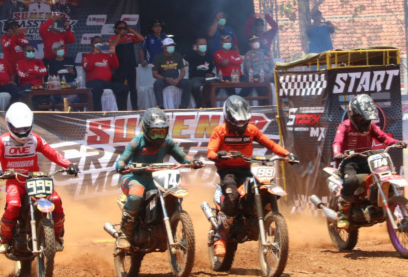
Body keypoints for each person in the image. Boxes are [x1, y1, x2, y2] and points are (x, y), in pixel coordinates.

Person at [207, 95, 298, 256]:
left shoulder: (252, 130)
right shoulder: (219, 131)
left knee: (266, 189)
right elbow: (211, 151)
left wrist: (287, 154)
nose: (240, 125)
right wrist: (217, 155)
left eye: (243, 121)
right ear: (227, 117)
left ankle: (265, 220)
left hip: (247, 169)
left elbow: (270, 144)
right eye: (236, 121)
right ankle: (220, 237)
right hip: (228, 172)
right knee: (233, 197)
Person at [0, 102, 79, 253]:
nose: (22, 132)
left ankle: (57, 238)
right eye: (18, 129)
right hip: (15, 181)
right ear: (10, 125)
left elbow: (52, 153)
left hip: (35, 180)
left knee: (55, 200)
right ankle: (3, 239)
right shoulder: (3, 141)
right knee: (13, 206)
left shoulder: (35, 139)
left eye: (25, 128)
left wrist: (69, 164)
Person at [114, 108, 203, 250]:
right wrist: (121, 166)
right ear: (146, 129)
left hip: (156, 178)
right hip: (135, 176)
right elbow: (122, 160)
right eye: (154, 132)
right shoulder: (137, 141)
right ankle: (124, 235)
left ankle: (168, 227)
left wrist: (193, 162)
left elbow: (182, 156)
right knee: (136, 195)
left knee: (172, 194)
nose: (158, 136)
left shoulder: (167, 142)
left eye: (161, 132)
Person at [332, 94, 406, 229]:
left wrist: (396, 143)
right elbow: (338, 142)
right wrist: (338, 154)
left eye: (366, 118)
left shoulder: (370, 126)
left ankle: (385, 204)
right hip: (349, 162)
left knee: (383, 175)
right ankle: (343, 213)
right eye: (361, 118)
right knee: (351, 181)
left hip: (366, 159)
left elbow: (383, 137)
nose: (364, 121)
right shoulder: (345, 126)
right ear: (353, 115)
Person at [82, 36, 129, 111]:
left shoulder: (106, 56)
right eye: (96, 42)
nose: (98, 43)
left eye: (100, 42)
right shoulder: (87, 56)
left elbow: (115, 66)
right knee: (97, 87)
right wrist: (94, 55)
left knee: (123, 88)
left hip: (106, 82)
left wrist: (113, 54)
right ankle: (97, 112)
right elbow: (87, 68)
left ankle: (122, 111)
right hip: (93, 82)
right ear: (91, 45)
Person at [109, 20, 144, 110]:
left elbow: (141, 39)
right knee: (121, 89)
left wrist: (132, 31)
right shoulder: (113, 38)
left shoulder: (130, 37)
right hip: (119, 68)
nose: (122, 30)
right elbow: (113, 45)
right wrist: (120, 34)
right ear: (116, 29)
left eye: (124, 28)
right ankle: (122, 109)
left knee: (133, 89)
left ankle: (135, 108)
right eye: (120, 28)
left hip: (131, 66)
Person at [152, 37, 192, 109]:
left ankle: (183, 106)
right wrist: (165, 79)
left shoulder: (178, 56)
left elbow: (183, 71)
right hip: (164, 78)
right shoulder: (158, 57)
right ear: (164, 47)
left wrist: (179, 78)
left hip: (175, 78)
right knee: (157, 84)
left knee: (188, 83)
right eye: (169, 45)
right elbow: (154, 74)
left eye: (172, 45)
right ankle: (160, 105)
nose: (171, 47)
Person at [243, 35, 274, 105]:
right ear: (250, 44)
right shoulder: (248, 54)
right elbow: (248, 69)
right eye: (253, 41)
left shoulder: (266, 52)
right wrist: (261, 75)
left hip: (269, 75)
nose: (255, 42)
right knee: (261, 87)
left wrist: (270, 74)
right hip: (256, 76)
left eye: (257, 40)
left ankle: (284, 102)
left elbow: (272, 65)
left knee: (280, 81)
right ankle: (264, 104)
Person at [184, 37, 215, 107]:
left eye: (205, 44)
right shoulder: (192, 55)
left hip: (207, 78)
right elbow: (185, 59)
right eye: (201, 44)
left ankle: (208, 102)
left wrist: (211, 74)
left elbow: (213, 69)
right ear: (196, 46)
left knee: (217, 84)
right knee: (195, 86)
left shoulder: (209, 56)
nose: (203, 45)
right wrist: (193, 50)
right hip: (196, 77)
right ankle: (199, 103)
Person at [47, 42, 78, 109]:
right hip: (58, 85)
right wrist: (61, 83)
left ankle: (70, 109)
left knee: (76, 94)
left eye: (62, 48)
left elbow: (75, 75)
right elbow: (52, 77)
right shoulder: (52, 62)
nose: (61, 50)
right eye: (59, 49)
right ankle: (64, 108)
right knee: (53, 96)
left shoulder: (69, 60)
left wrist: (72, 72)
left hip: (70, 84)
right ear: (54, 51)